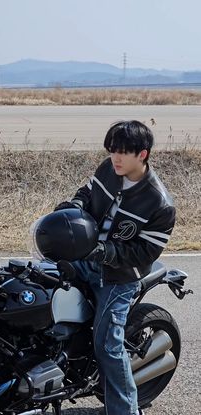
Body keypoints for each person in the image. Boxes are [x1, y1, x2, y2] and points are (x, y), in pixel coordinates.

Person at [54, 120, 176, 415]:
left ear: (142, 154)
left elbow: (144, 252)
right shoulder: (108, 170)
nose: (115, 158)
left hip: (119, 277)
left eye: (122, 152)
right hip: (83, 257)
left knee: (108, 347)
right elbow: (86, 193)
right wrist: (71, 208)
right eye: (112, 151)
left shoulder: (160, 204)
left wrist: (103, 251)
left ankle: (126, 411)